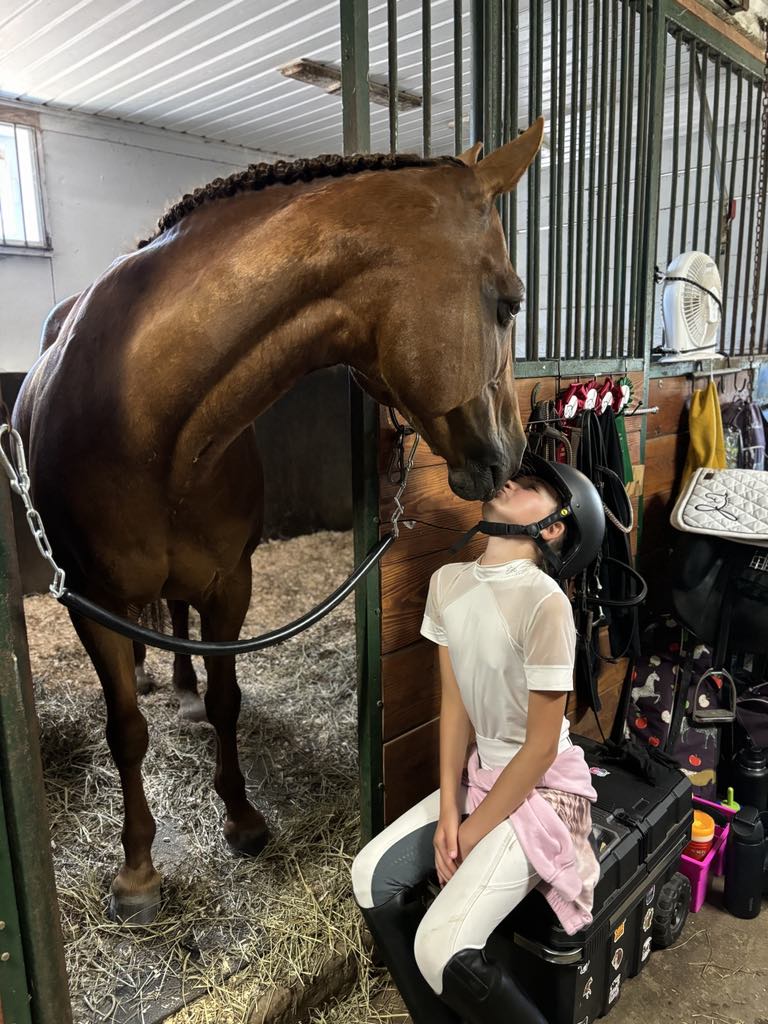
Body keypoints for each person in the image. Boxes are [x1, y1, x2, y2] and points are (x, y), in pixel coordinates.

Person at [351, 452, 606, 1024]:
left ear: (554, 525)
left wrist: (469, 831)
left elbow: (540, 748)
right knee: (369, 874)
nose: (511, 481)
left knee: (437, 947)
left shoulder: (546, 603)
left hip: (544, 791)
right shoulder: (448, 583)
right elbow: (455, 706)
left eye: (533, 485)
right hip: (481, 777)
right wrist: (448, 809)